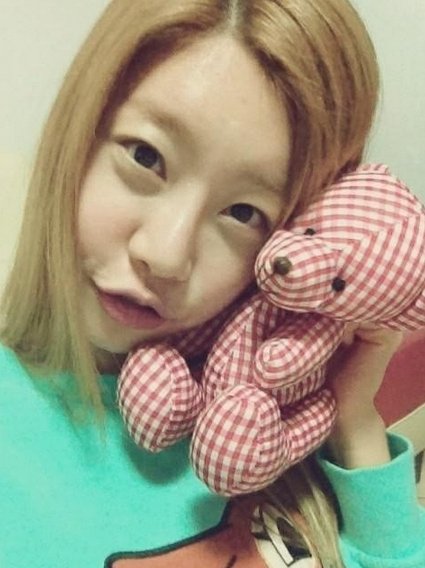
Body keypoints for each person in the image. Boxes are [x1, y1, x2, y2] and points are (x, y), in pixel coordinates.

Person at [0, 0, 424, 566]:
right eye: (146, 156)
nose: (167, 255)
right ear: (77, 132)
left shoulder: (275, 418)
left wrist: (355, 421)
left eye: (244, 212)